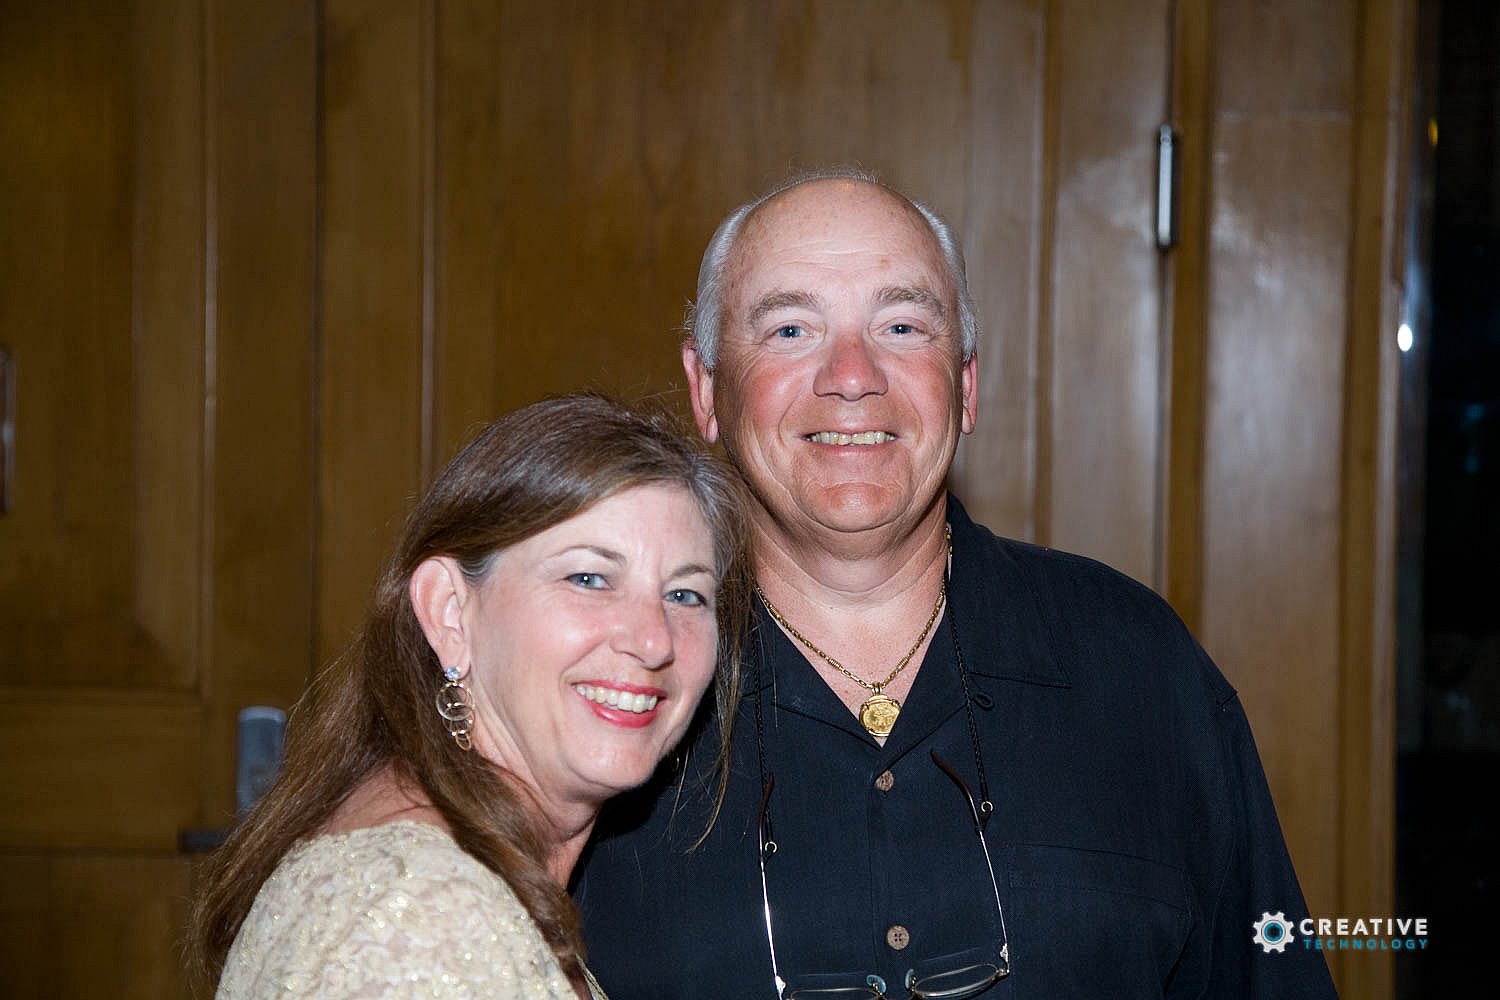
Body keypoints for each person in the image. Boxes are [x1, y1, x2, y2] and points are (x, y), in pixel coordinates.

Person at [576, 171, 1339, 998]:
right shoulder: (613, 686)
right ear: (706, 389)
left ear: (966, 384)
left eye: (902, 326)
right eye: (791, 329)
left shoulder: (1138, 665)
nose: (853, 374)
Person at [188, 393, 752, 999]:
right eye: (589, 578)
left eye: (685, 595)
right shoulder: (419, 915)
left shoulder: (445, 866)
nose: (653, 640)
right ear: (449, 611)